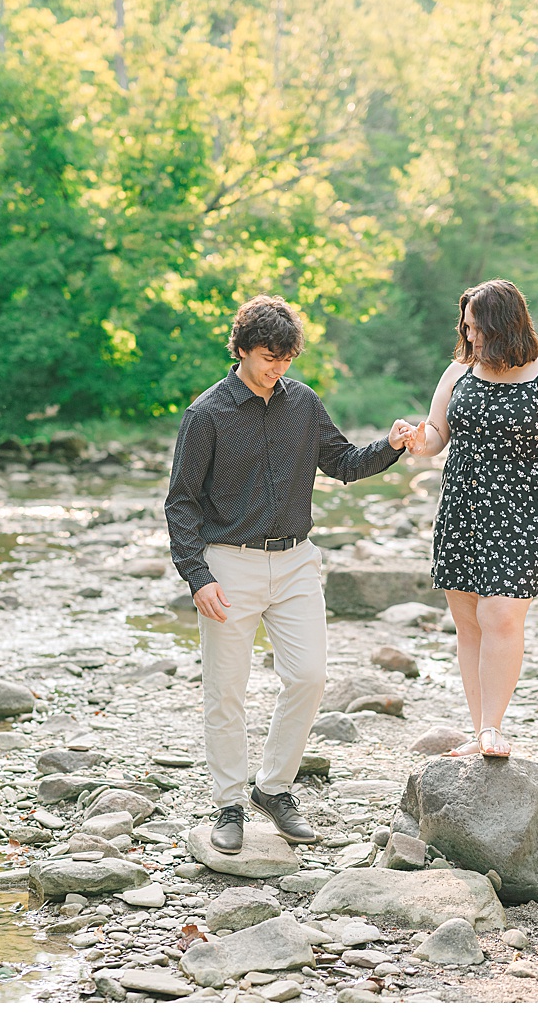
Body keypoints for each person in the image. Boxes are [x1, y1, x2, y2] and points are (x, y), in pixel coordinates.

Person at [165, 295, 416, 854]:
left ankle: (273, 789)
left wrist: (392, 446)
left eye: (285, 359)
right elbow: (180, 502)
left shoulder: (302, 403)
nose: (276, 368)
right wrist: (197, 574)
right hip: (229, 562)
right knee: (225, 690)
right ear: (242, 349)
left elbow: (343, 463)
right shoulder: (206, 414)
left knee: (308, 677)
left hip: (298, 560)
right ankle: (228, 802)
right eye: (266, 357)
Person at [405, 279, 538, 760]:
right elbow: (436, 434)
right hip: (462, 510)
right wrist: (414, 439)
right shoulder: (459, 371)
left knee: (500, 614)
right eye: (466, 329)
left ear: (506, 327)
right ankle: (478, 728)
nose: (472, 339)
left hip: (524, 515)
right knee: (468, 624)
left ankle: (493, 728)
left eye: (479, 330)